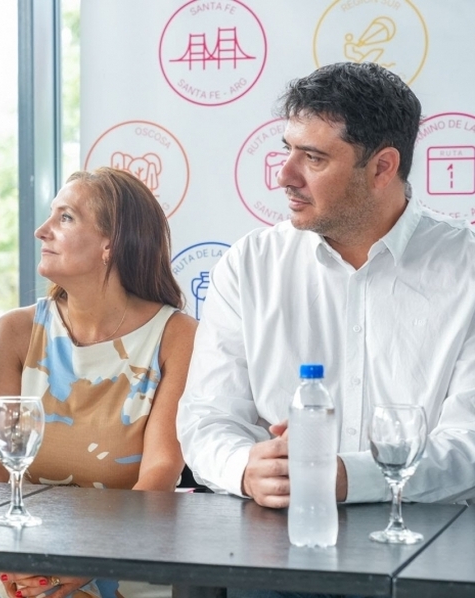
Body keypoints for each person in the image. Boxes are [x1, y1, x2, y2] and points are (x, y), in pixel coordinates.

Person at [177, 62, 475, 596]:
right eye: (288, 149)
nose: (284, 175)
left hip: (433, 555)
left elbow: (469, 443)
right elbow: (206, 418)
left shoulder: (468, 269)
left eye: (313, 158)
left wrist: (344, 477)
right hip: (276, 553)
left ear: (383, 166)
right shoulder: (250, 264)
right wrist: (247, 467)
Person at [0, 166, 198, 598]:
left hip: (129, 548)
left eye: (65, 218)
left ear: (110, 243)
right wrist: (13, 556)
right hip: (20, 549)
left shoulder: (178, 335)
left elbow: (160, 472)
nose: (41, 231)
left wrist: (88, 561)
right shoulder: (14, 331)